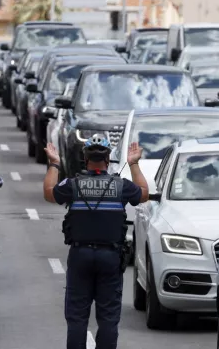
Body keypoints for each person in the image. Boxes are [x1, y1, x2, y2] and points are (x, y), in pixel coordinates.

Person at [43, 134, 149, 349]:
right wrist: (134, 163)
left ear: (85, 158)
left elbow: (48, 193)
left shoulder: (73, 185)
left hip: (80, 256)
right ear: (108, 159)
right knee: (108, 318)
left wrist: (54, 163)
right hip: (110, 257)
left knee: (77, 318)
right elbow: (144, 194)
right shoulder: (121, 186)